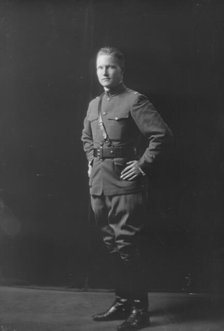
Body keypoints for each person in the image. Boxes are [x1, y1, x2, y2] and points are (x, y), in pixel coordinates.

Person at [81, 46, 172, 331]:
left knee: (128, 247)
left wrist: (143, 163)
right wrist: (91, 161)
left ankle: (139, 309)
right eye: (99, 68)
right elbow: (86, 137)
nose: (104, 73)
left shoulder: (135, 100)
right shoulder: (94, 104)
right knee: (111, 246)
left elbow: (161, 135)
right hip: (99, 183)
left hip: (125, 184)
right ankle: (122, 302)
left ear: (121, 70)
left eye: (110, 67)